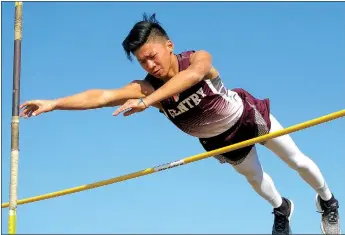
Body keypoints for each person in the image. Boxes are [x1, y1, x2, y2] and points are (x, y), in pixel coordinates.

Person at [20, 13, 340, 235]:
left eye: (153, 55)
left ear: (169, 45)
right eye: (142, 61)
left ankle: (327, 199)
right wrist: (54, 104)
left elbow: (194, 76)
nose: (150, 65)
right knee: (257, 181)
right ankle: (282, 208)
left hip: (247, 118)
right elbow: (102, 95)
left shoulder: (197, 58)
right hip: (219, 141)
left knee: (296, 160)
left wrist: (148, 101)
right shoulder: (147, 87)